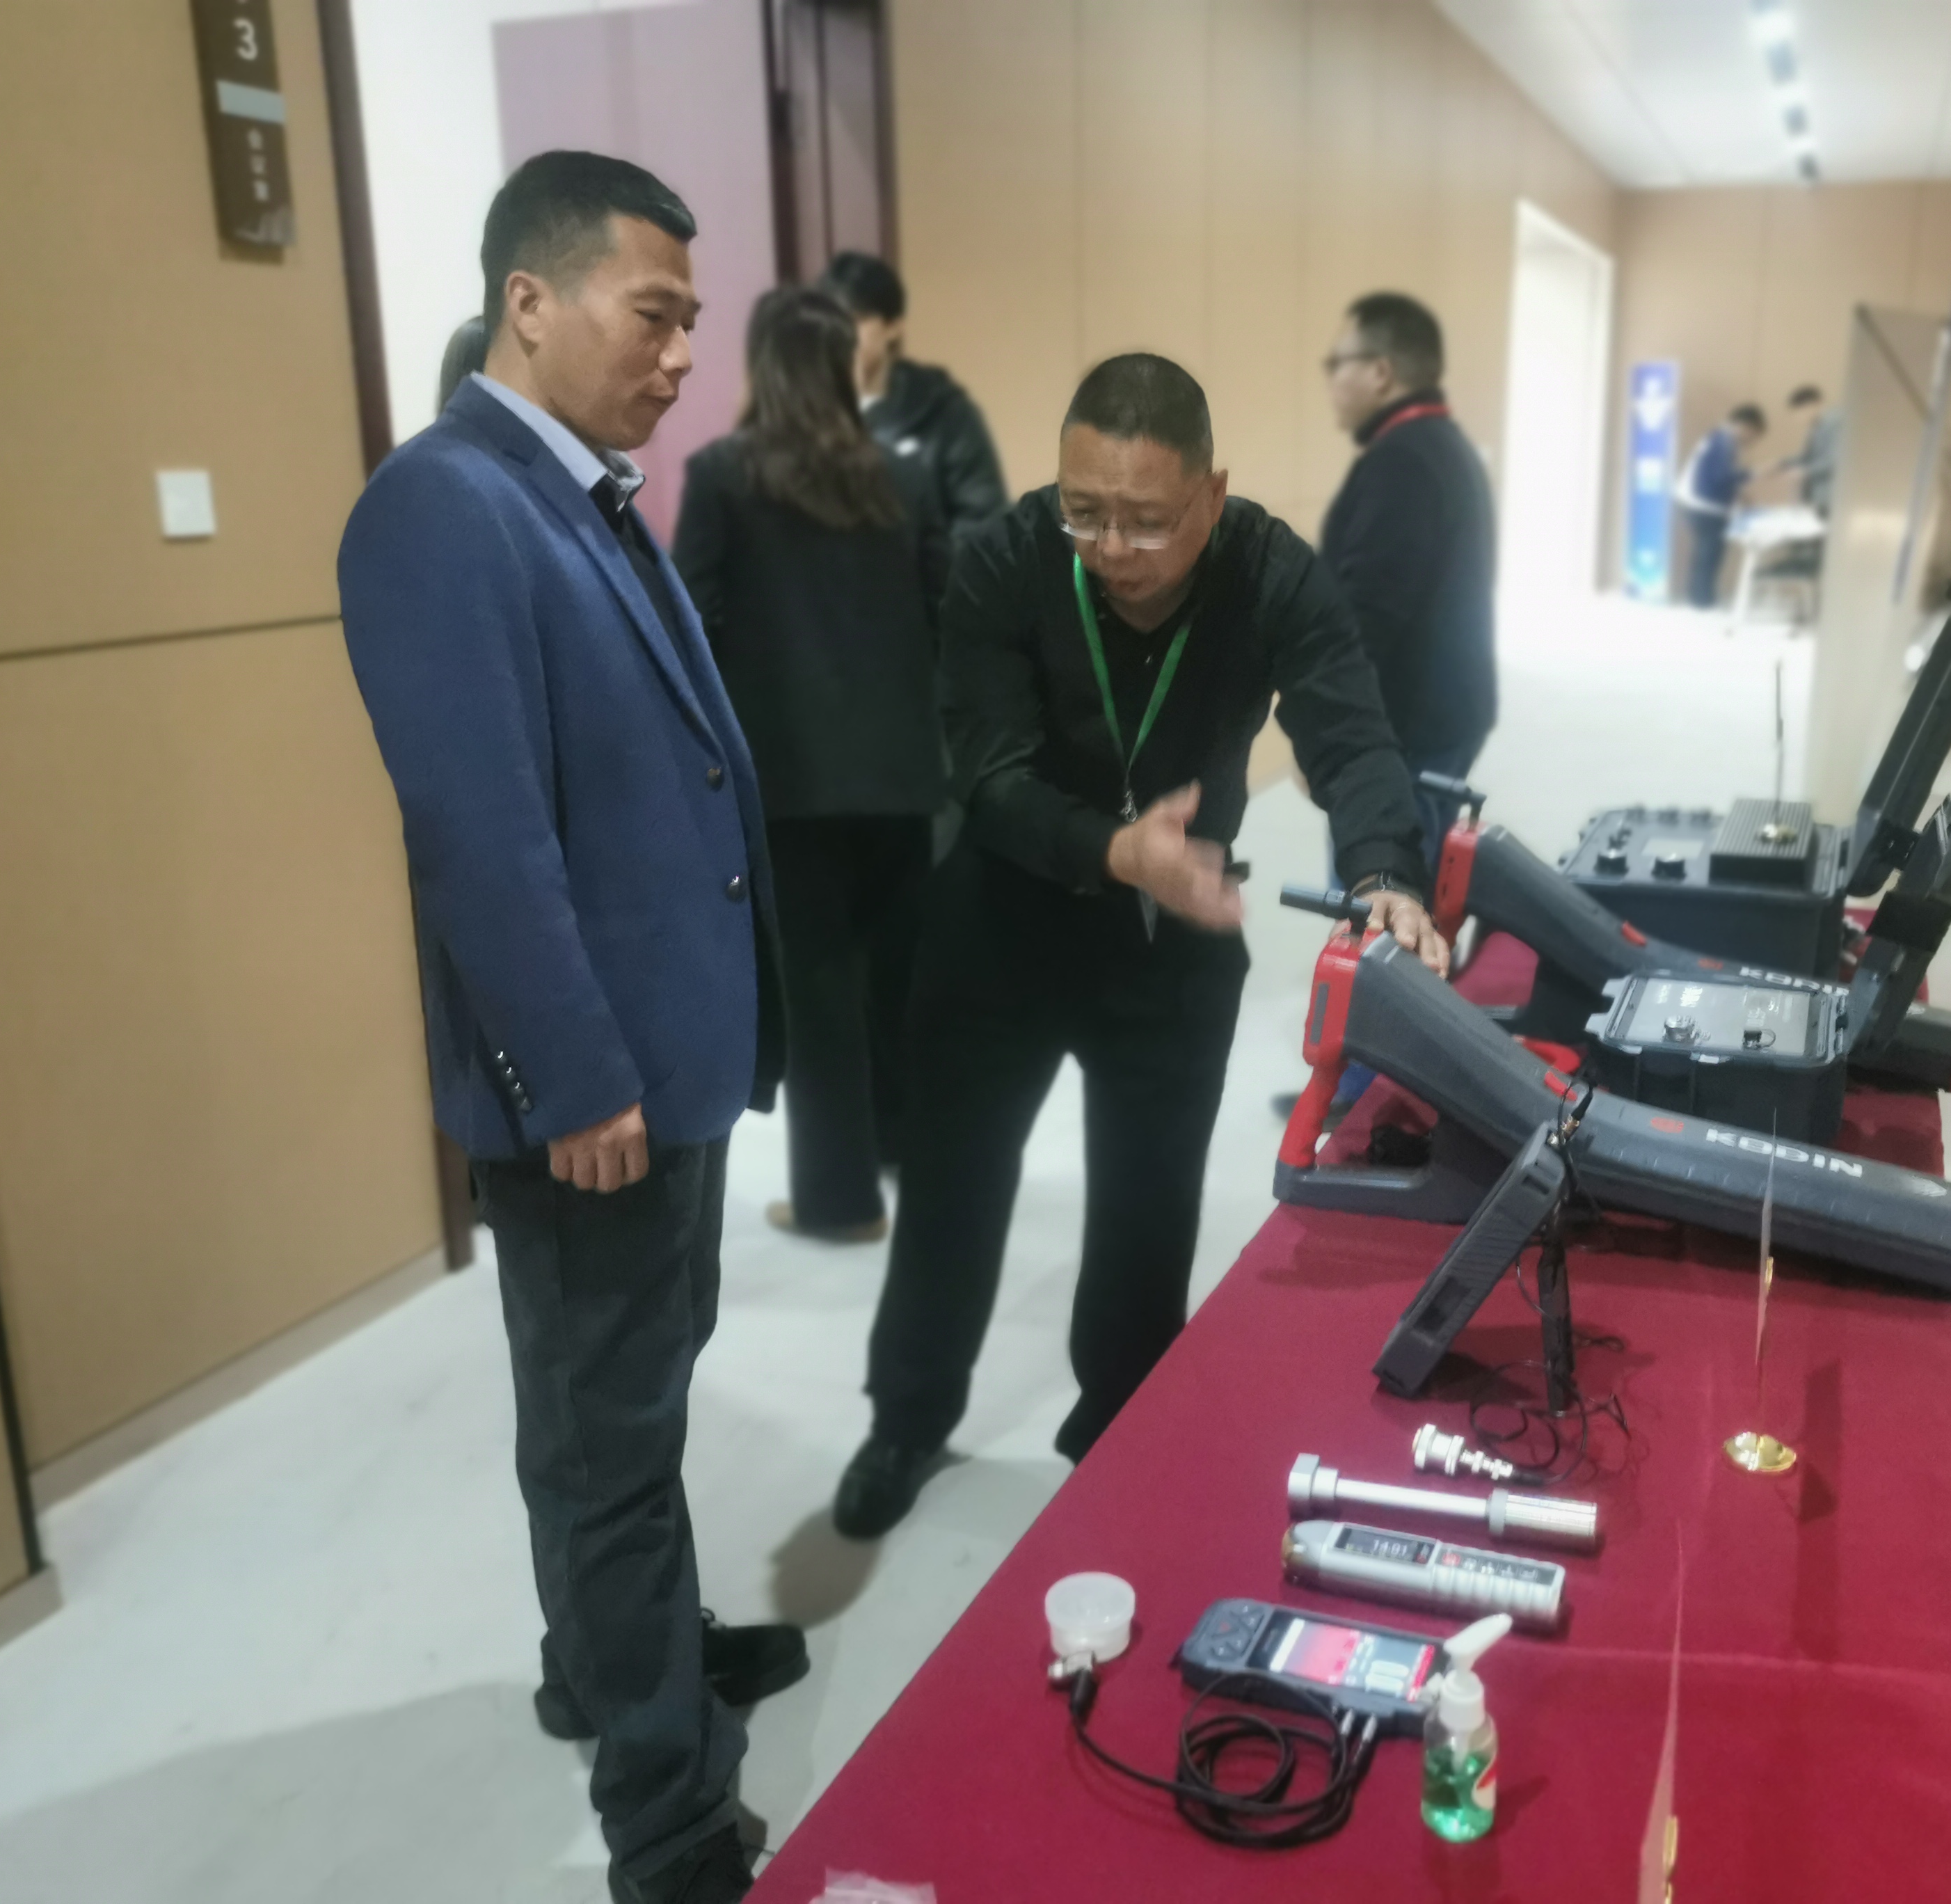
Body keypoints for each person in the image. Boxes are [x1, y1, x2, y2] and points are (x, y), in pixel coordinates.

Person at [337, 151, 802, 1904]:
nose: (682, 356)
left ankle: (617, 1659)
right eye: (654, 314)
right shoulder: (442, 507)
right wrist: (579, 1073)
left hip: (668, 1056)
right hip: (599, 1083)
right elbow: (482, 834)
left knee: (626, 1403)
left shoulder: (577, 491)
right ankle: (663, 1810)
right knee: (609, 1440)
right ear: (529, 301)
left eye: (693, 319)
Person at [831, 354, 1449, 1537]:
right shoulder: (1007, 560)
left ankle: (1116, 1436)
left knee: (1148, 1211)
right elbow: (987, 774)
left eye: (1148, 520)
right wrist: (1119, 850)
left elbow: (1353, 734)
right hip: (1000, 922)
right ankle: (906, 1416)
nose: (1112, 547)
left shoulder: (1270, 572)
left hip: (1176, 935)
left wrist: (1382, 874)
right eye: (1087, 512)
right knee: (954, 1187)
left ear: (1211, 495)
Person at [674, 288, 948, 1245]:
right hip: (902, 775)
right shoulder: (903, 476)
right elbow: (944, 610)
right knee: (895, 973)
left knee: (822, 990)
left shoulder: (723, 475)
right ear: (844, 366)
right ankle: (905, 1147)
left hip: (788, 782)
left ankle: (838, 1201)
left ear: (763, 364)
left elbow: (691, 623)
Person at [1319, 292, 1496, 876]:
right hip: (1440, 716)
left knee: (1379, 905)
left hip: (1405, 733)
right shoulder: (1441, 446)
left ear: (1380, 372)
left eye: (1336, 363)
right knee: (1415, 888)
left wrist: (1329, 731)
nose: (1330, 380)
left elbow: (1368, 617)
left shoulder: (1402, 463)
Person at [815, 250, 1008, 547]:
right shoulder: (805, 411)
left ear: (893, 327)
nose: (842, 336)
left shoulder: (943, 411)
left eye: (857, 321)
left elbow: (983, 524)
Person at [1675, 402, 1767, 610]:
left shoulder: (1719, 438)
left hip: (1696, 504)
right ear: (1746, 426)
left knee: (1704, 553)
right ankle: (1702, 602)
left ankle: (1699, 598)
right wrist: (1754, 473)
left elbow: (1719, 477)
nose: (1751, 441)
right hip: (1704, 507)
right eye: (1754, 435)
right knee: (1710, 555)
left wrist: (1739, 494)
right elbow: (1722, 477)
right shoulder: (1724, 441)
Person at [1774, 383, 1841, 518]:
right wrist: (1782, 463)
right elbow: (1808, 457)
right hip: (1817, 496)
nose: (1799, 418)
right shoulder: (1816, 426)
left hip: (1830, 495)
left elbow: (1836, 461)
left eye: (1799, 412)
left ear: (1813, 405)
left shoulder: (1836, 422)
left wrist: (1804, 472)